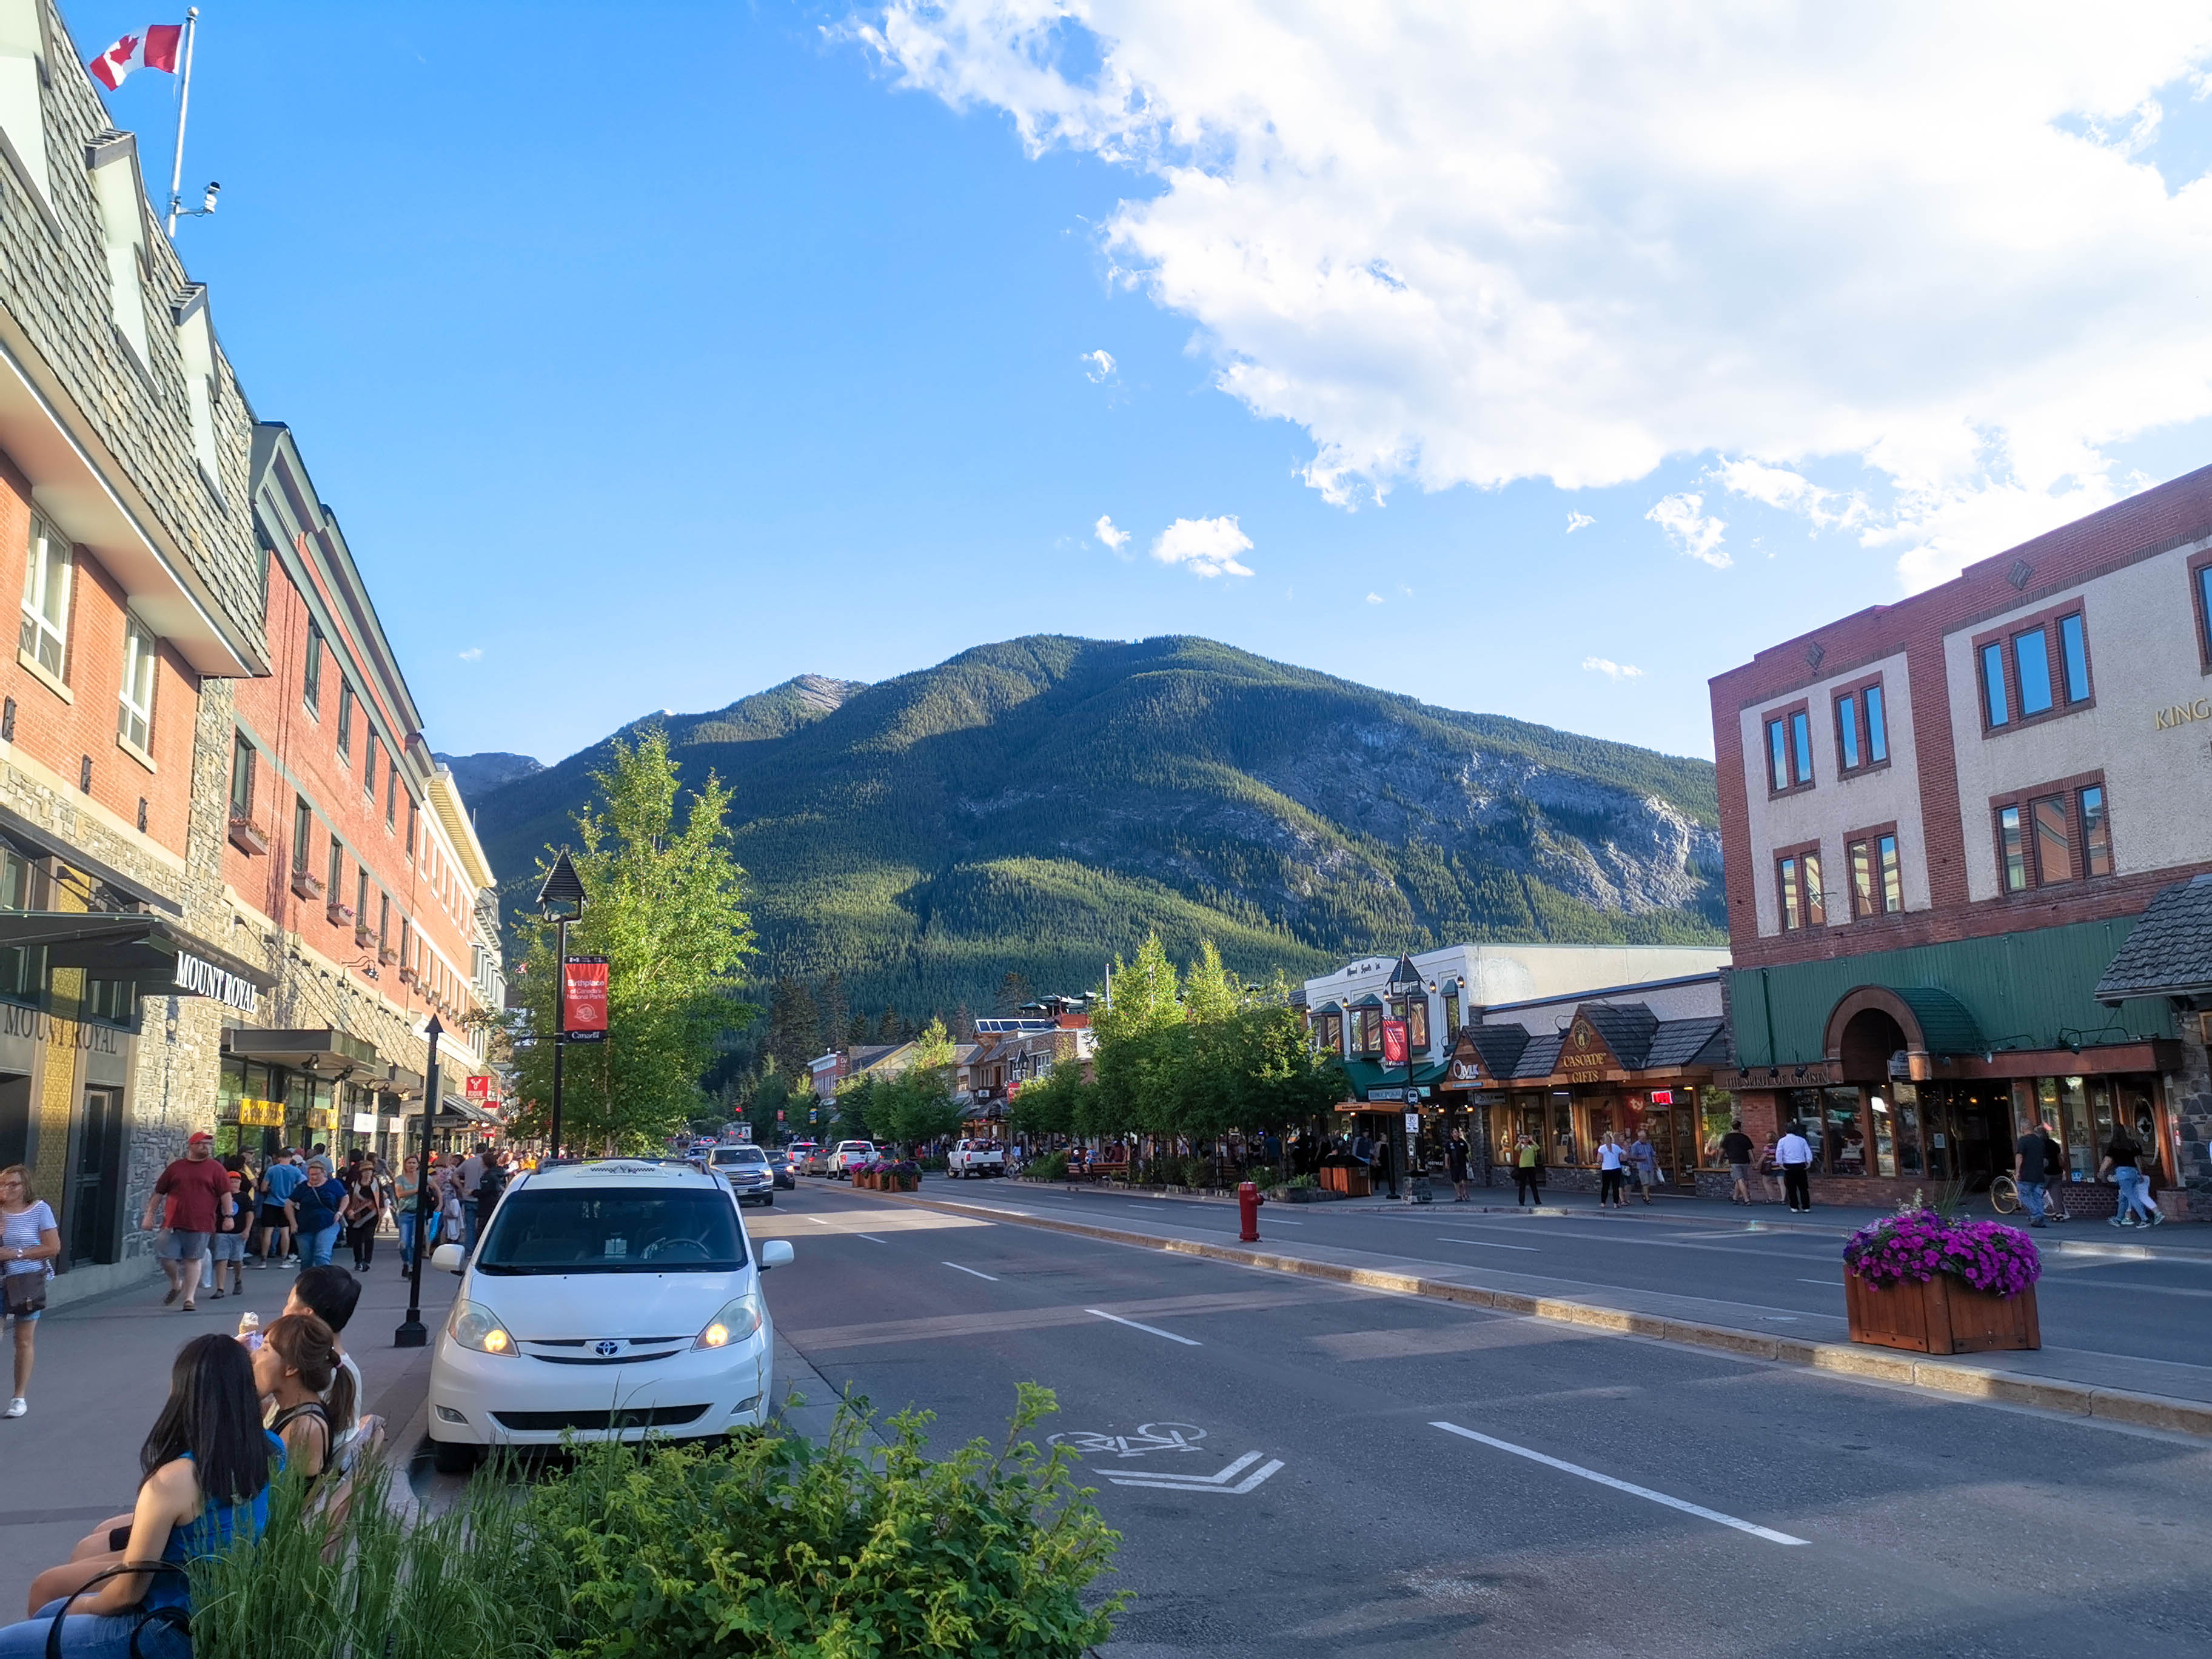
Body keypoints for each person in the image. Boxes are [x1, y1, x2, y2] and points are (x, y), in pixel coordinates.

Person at [8, 1334, 278, 1648]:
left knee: (12, 1641)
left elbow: (127, 1593)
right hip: (219, 1620)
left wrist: (82, 1606)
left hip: (166, 1629)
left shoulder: (174, 1480)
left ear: (184, 1392)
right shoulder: (273, 1451)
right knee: (51, 1609)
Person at [254, 1313, 352, 1487]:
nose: (254, 1355)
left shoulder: (302, 1428)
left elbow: (257, 1487)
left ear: (291, 1368)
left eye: (265, 1349)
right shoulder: (297, 1411)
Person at [143, 1133, 232, 1312]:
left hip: (201, 1223)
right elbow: (159, 1193)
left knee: (193, 1259)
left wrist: (228, 1216)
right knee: (166, 1257)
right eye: (202, 1144)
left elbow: (225, 1194)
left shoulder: (216, 1169)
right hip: (173, 1222)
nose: (206, 1147)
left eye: (208, 1144)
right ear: (191, 1146)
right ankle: (176, 1282)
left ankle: (189, 1299)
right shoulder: (176, 1168)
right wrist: (149, 1215)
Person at [285, 1265, 365, 1449]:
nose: (283, 1312)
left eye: (288, 1304)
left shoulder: (306, 1368)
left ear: (306, 1315)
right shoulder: (347, 1369)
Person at [1, 1165, 58, 1419]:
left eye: (13, 1184)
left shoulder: (39, 1210)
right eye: (3, 1184)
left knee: (23, 1341)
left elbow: (53, 1247)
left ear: (25, 1186)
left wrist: (16, 1253)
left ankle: (19, 1397)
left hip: (26, 1280)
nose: (6, 1189)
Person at [286, 1159, 344, 1270]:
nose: (313, 1177)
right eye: (311, 1175)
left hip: (328, 1224)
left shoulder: (333, 1184)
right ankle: (307, 1284)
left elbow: (345, 1197)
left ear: (324, 1173)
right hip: (305, 1226)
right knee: (306, 1259)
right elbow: (289, 1204)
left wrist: (340, 1212)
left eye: (317, 1174)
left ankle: (324, 1283)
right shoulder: (303, 1187)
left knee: (322, 1255)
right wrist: (293, 1223)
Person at [2099, 1132, 2163, 1227]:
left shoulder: (2114, 1146)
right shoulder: (2131, 1145)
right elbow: (2138, 1156)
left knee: (2132, 1196)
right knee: (2124, 1197)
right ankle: (2119, 1219)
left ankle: (2144, 1219)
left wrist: (2101, 1171)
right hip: (2133, 1172)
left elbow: (2108, 1160)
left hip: (2123, 1173)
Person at [207, 1158, 249, 1301]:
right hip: (222, 1232)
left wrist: (247, 1230)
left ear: (240, 1183)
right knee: (221, 1259)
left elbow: (250, 1214)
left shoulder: (244, 1197)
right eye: (230, 1181)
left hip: (238, 1232)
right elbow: (214, 1212)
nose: (233, 1184)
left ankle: (238, 1279)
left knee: (237, 1259)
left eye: (236, 1181)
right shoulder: (221, 1197)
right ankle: (220, 1288)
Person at [256, 1148, 303, 1267]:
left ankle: (263, 1260)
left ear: (278, 1158)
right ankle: (284, 1260)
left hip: (271, 1202)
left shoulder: (272, 1170)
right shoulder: (296, 1171)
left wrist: (271, 1190)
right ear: (290, 1158)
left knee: (268, 1231)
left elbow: (263, 1188)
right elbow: (302, 1185)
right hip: (287, 1204)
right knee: (285, 1232)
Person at [341, 1164, 380, 1272]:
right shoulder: (355, 1184)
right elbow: (348, 1198)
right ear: (361, 1172)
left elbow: (380, 1198)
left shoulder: (376, 1184)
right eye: (365, 1171)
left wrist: (381, 1210)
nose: (368, 1173)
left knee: (369, 1237)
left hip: (372, 1215)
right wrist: (349, 1210)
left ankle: (367, 1261)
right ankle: (358, 1261)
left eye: (370, 1170)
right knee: (357, 1240)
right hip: (356, 1215)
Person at [2014, 1119, 2050, 1227]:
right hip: (2039, 1174)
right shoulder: (2039, 1141)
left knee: (2024, 1196)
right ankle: (2039, 1217)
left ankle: (2036, 1215)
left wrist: (2017, 1171)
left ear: (2023, 1128)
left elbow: (2019, 1156)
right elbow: (2044, 1159)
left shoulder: (2023, 1140)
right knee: (2037, 1196)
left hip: (2026, 1174)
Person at [1775, 1121, 1815, 1213]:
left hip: (1788, 1165)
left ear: (1786, 1131)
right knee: (1803, 1188)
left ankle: (1794, 1207)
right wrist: (1809, 1161)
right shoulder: (1801, 1140)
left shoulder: (1782, 1141)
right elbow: (1807, 1151)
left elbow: (1779, 1153)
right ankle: (1806, 1206)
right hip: (1801, 1165)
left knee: (1791, 1188)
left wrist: (1780, 1163)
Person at [394, 1154, 424, 1272]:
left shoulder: (423, 1178)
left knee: (413, 1242)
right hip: (405, 1213)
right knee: (404, 1243)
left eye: (414, 1163)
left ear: (418, 1165)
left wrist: (440, 1204)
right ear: (405, 1165)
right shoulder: (400, 1179)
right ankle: (406, 1262)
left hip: (419, 1213)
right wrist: (416, 1190)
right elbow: (399, 1194)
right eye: (409, 1163)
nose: (411, 1165)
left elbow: (436, 1188)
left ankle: (411, 1267)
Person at [2039, 1121, 2070, 1224]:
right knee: (2056, 1193)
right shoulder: (2053, 1143)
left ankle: (2036, 1214)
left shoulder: (2038, 1145)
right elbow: (2059, 1156)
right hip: (2057, 1171)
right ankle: (2060, 1214)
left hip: (2045, 1172)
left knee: (2036, 1192)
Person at [1720, 1120, 1757, 1205]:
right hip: (1745, 1161)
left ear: (1732, 1127)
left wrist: (1719, 1160)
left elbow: (1722, 1150)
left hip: (1734, 1161)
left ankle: (1747, 1200)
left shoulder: (1728, 1137)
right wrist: (1754, 1162)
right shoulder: (1744, 1137)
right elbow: (1750, 1151)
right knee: (1740, 1180)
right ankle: (1735, 1198)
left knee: (1740, 1180)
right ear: (1740, 1127)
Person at [1627, 1129, 1658, 1205]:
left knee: (1650, 1183)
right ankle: (1648, 1199)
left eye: (1645, 1137)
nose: (1644, 1139)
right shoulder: (1635, 1146)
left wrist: (1656, 1165)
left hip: (1650, 1166)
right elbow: (1632, 1157)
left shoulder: (1648, 1144)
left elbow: (1653, 1155)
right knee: (1645, 1183)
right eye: (1643, 1138)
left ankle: (1644, 1193)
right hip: (1642, 1167)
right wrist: (1641, 1159)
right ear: (1639, 1137)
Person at [1512, 1131, 1542, 1207]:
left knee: (1533, 1185)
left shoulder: (1531, 1147)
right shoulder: (1521, 1148)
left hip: (1531, 1167)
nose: (1525, 1140)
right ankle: (1521, 1201)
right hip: (1523, 1167)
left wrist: (1532, 1140)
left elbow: (1538, 1148)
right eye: (1524, 1139)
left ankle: (1537, 1200)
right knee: (1523, 1185)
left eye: (1526, 1138)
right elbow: (1516, 1148)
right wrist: (1520, 1141)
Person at [1446, 1133, 1470, 1202]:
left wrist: (1469, 1161)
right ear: (1452, 1134)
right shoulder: (1449, 1143)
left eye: (1457, 1132)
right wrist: (1446, 1163)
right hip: (1454, 1164)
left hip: (1462, 1163)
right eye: (1455, 1132)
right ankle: (1459, 1195)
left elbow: (1467, 1153)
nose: (1457, 1133)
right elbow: (1447, 1154)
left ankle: (1465, 1194)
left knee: (1464, 1179)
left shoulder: (1462, 1142)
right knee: (1456, 1180)